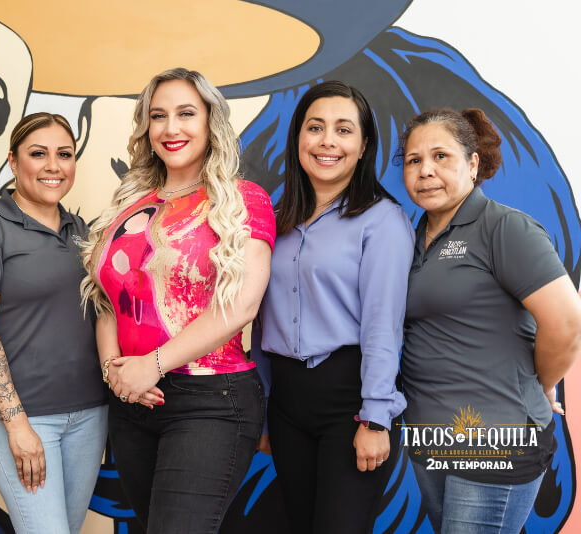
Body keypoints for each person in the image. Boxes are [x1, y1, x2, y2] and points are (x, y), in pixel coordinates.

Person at [80, 67, 275, 533]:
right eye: (158, 116)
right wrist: (115, 371)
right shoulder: (128, 205)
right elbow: (108, 299)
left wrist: (154, 363)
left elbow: (241, 306)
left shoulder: (242, 200)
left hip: (212, 400)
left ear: (211, 122)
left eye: (186, 113)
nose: (171, 128)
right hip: (134, 399)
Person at [399, 107, 581, 533]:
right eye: (414, 160)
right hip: (436, 442)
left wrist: (541, 383)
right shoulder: (413, 239)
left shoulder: (503, 228)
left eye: (441, 156)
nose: (426, 171)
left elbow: (567, 321)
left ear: (473, 163)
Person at [252, 80, 414, 533]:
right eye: (315, 127)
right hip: (286, 405)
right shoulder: (277, 217)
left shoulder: (383, 220)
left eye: (344, 130)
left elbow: (383, 326)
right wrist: (264, 410)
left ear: (363, 146)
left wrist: (376, 418)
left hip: (350, 402)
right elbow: (262, 320)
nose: (327, 141)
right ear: (298, 139)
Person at [0, 112, 108, 534]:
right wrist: (17, 426)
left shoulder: (83, 232)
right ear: (13, 161)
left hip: (90, 415)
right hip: (25, 418)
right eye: (38, 154)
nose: (53, 166)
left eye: (64, 154)